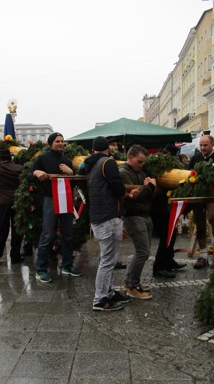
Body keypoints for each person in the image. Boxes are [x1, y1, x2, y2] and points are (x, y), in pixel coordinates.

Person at [85, 136, 138, 311]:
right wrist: (127, 194)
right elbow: (117, 187)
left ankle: (109, 292)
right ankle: (100, 299)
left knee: (109, 258)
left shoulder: (91, 165)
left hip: (98, 216)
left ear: (93, 150)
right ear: (108, 149)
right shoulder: (108, 162)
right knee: (108, 260)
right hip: (108, 216)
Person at [29, 132, 81, 283]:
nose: (60, 143)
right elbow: (29, 176)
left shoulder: (67, 161)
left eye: (62, 141)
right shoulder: (43, 158)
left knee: (68, 234)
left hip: (66, 200)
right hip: (50, 200)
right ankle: (41, 270)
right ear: (51, 143)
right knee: (47, 235)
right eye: (57, 141)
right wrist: (36, 172)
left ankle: (67, 266)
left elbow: (72, 184)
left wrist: (71, 173)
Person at [119, 144, 156, 300]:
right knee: (142, 252)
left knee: (143, 252)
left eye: (143, 162)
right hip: (133, 216)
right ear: (130, 157)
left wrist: (148, 188)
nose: (141, 165)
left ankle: (131, 282)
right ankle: (132, 286)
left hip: (144, 215)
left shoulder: (139, 172)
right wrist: (149, 187)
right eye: (139, 161)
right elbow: (134, 197)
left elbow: (147, 194)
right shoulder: (123, 173)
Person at [188, 134, 214, 269]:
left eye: (205, 145)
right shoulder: (195, 158)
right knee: (200, 224)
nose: (203, 148)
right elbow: (188, 175)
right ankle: (203, 256)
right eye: (201, 145)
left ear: (212, 145)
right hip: (197, 196)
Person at [152, 144, 187, 278]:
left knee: (171, 235)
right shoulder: (158, 167)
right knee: (166, 237)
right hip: (157, 207)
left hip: (163, 205)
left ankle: (168, 261)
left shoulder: (164, 165)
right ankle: (159, 267)